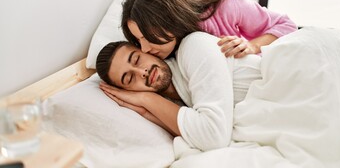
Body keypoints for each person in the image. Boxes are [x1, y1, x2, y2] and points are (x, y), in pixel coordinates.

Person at [96, 31, 262, 151]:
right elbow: (196, 132)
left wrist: (147, 99)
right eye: (130, 79)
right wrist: (145, 112)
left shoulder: (194, 47)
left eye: (137, 59)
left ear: (145, 50)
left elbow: (214, 137)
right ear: (129, 91)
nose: (142, 72)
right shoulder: (174, 102)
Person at [121, 0, 297, 60]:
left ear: (169, 18)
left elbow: (287, 25)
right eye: (138, 40)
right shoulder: (154, 59)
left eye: (147, 36)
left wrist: (253, 45)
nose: (144, 49)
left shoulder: (226, 7)